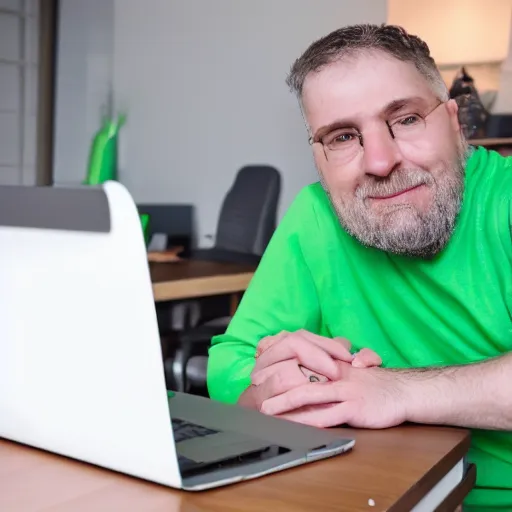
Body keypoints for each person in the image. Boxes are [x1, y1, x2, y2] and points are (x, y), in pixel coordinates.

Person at [206, 23, 512, 510]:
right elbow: (233, 359)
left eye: (407, 119)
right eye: (344, 136)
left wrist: (395, 392)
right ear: (318, 157)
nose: (380, 160)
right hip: (368, 495)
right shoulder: (315, 217)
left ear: (455, 122)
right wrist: (288, 384)